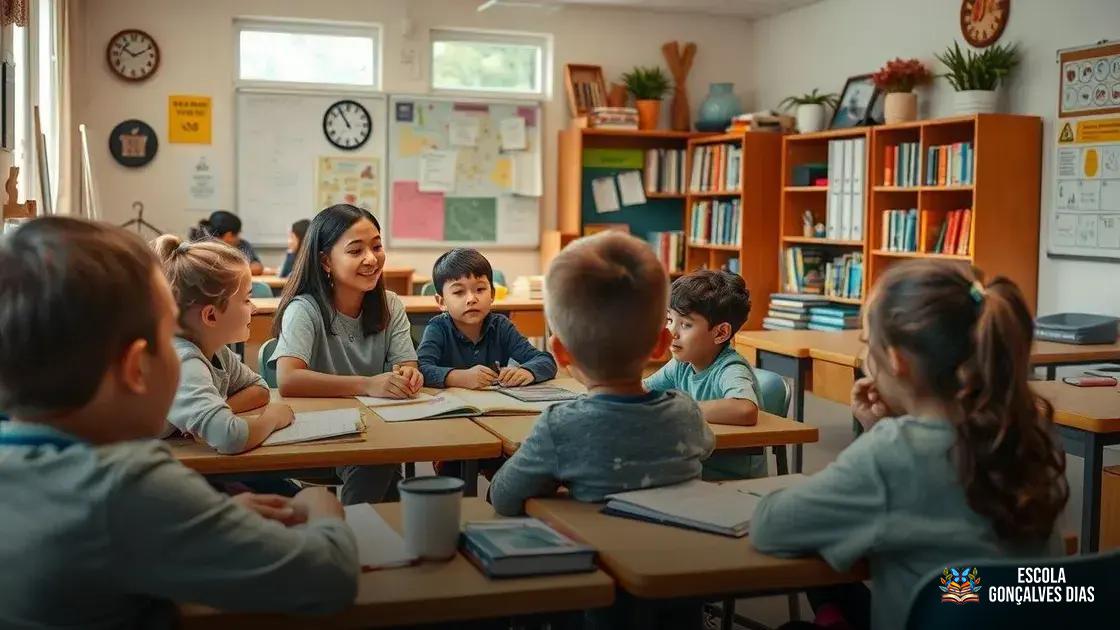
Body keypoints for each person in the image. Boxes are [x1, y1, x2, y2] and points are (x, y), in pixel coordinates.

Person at [0, 217, 358, 628]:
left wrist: (202, 518)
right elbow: (329, 580)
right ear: (137, 367)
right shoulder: (129, 489)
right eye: (170, 332)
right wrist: (324, 509)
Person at [752, 261, 1068, 630]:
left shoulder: (892, 452)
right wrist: (882, 430)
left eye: (869, 346)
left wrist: (880, 439)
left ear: (897, 361)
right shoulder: (1028, 438)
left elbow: (771, 526)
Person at [489, 232, 714, 517]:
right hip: (685, 556)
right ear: (660, 344)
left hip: (597, 558)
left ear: (560, 352)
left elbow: (503, 498)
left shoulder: (559, 427)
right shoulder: (686, 412)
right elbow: (705, 449)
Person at [270, 204, 422, 504]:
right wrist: (367, 384)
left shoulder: (391, 304)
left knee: (383, 462)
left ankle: (362, 536)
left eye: (377, 246)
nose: (371, 258)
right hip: (317, 434)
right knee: (379, 460)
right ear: (326, 261)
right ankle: (352, 535)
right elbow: (288, 379)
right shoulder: (305, 309)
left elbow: (406, 363)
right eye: (355, 251)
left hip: (376, 428)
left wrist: (408, 375)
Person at [153, 234, 293, 454]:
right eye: (246, 299)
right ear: (210, 316)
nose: (254, 308)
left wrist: (218, 411)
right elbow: (230, 438)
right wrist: (272, 419)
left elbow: (259, 389)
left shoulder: (216, 350)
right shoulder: (183, 361)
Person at [644, 270, 766, 479]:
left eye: (686, 324)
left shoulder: (730, 368)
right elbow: (642, 390)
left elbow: (745, 410)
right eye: (669, 320)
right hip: (694, 464)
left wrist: (678, 408)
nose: (671, 332)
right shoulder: (680, 365)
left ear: (720, 333)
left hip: (727, 478)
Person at [417, 247, 556, 390]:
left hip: (495, 407)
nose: (471, 299)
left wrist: (527, 371)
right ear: (441, 302)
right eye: (459, 292)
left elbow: (545, 361)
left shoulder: (501, 327)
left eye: (480, 289)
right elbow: (420, 369)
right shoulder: (438, 328)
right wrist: (459, 377)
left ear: (492, 295)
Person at [191, 210, 265, 275]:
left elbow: (257, 267)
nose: (239, 237)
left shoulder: (242, 245)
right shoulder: (200, 247)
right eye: (238, 234)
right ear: (228, 235)